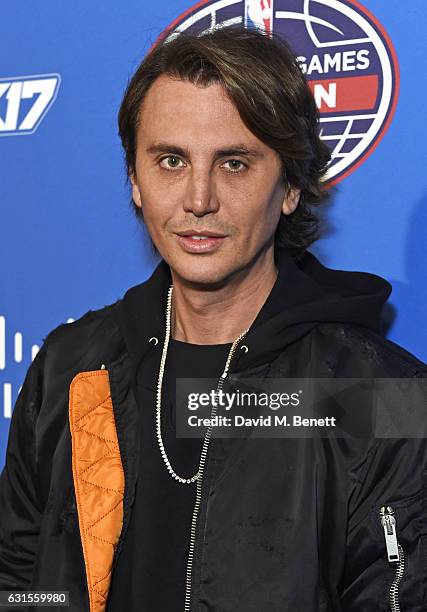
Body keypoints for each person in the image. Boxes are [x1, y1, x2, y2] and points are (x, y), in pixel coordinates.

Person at [0, 25, 426, 612]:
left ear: (291, 188)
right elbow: (23, 584)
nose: (199, 199)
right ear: (135, 182)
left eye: (234, 163)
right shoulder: (71, 366)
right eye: (171, 161)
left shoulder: (381, 394)